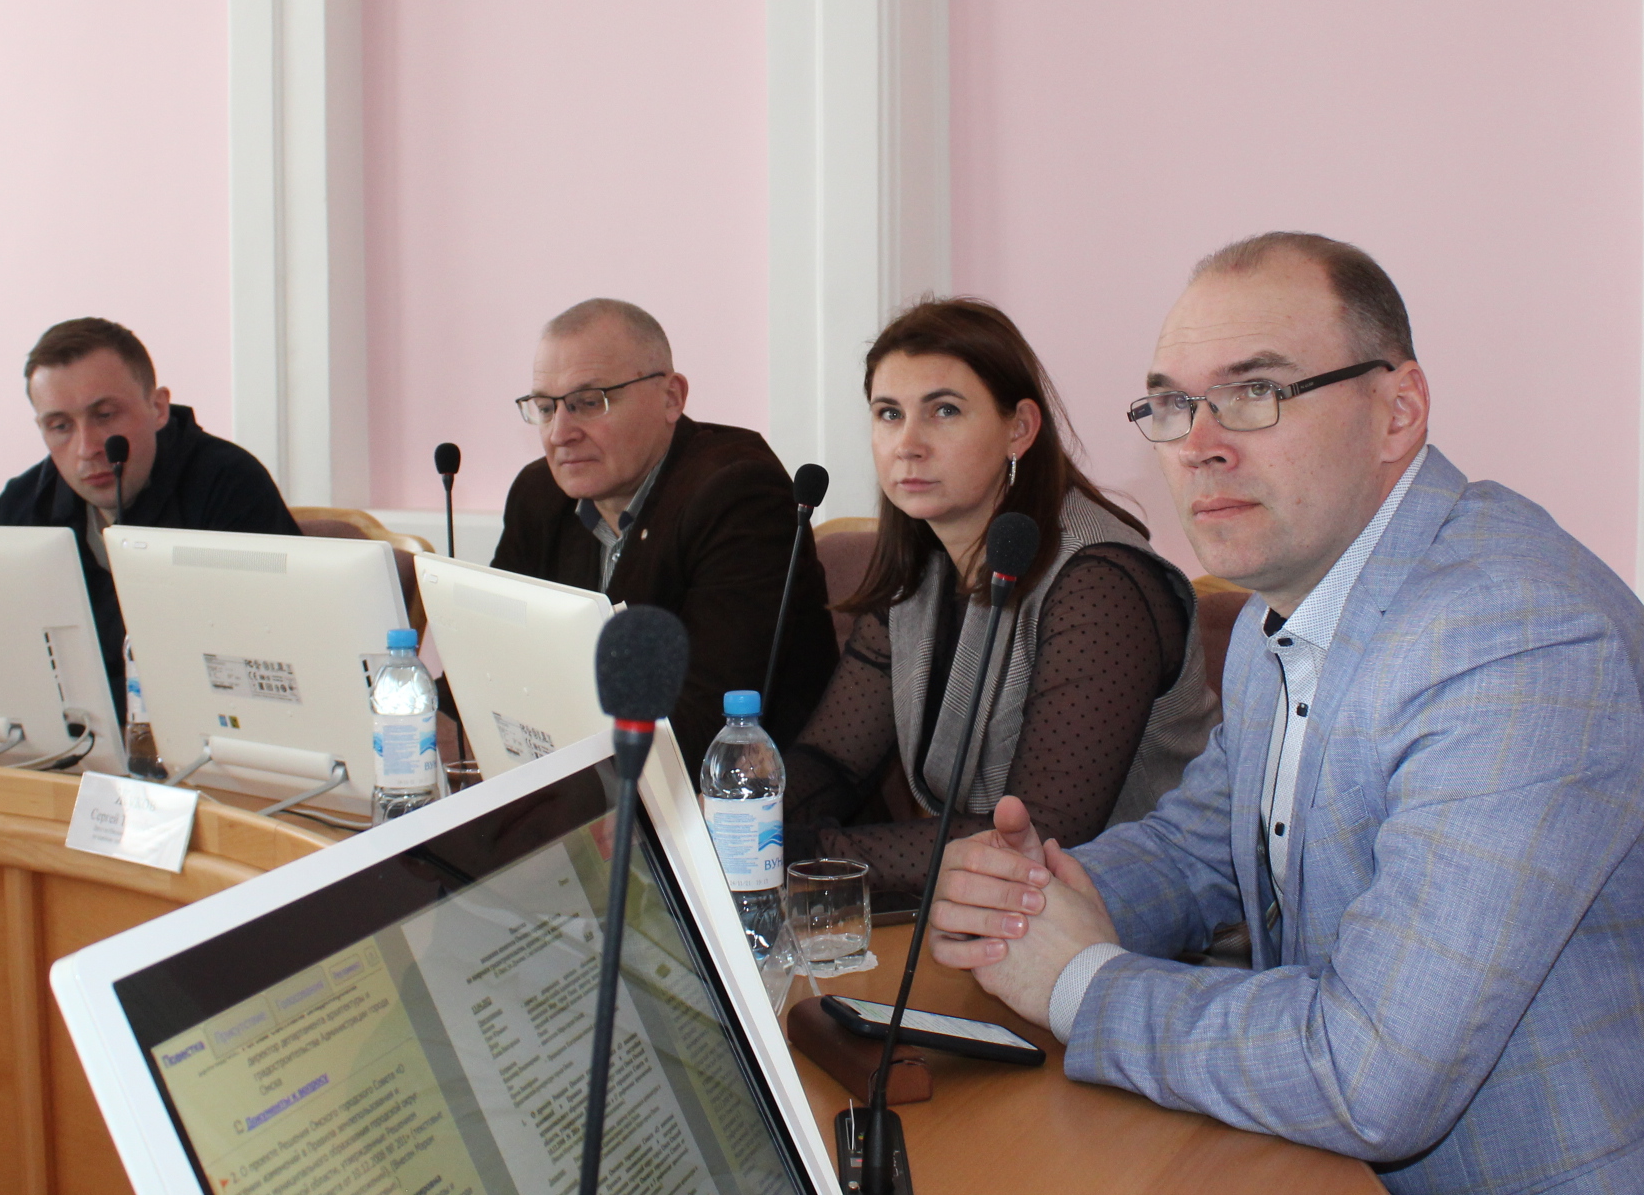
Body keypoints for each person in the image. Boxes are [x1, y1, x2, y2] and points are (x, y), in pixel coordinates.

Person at [930, 235, 1644, 1195]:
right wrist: (1042, 899)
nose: (1200, 444)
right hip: (1346, 1186)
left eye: (1256, 393)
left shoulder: (1514, 639)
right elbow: (1204, 843)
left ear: (1397, 410)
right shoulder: (1290, 606)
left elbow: (1371, 1077)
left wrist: (1080, 981)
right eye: (1172, 405)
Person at [784, 298, 1214, 894]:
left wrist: (801, 853)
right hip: (994, 913)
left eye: (944, 410)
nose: (907, 443)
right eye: (889, 414)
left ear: (1020, 429)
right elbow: (833, 760)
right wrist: (742, 818)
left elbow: (1043, 832)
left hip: (1145, 925)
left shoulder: (1100, 584)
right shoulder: (923, 572)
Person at [493, 298, 837, 762]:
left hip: (740, 795)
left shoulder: (738, 494)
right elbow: (493, 661)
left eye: (588, 403)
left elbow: (705, 724)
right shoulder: (539, 494)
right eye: (545, 407)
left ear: (671, 398)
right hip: (585, 776)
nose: (559, 433)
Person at [0, 318, 300, 705]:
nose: (87, 448)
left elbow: (268, 658)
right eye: (61, 426)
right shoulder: (20, 508)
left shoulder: (229, 483)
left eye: (105, 415)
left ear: (158, 408)